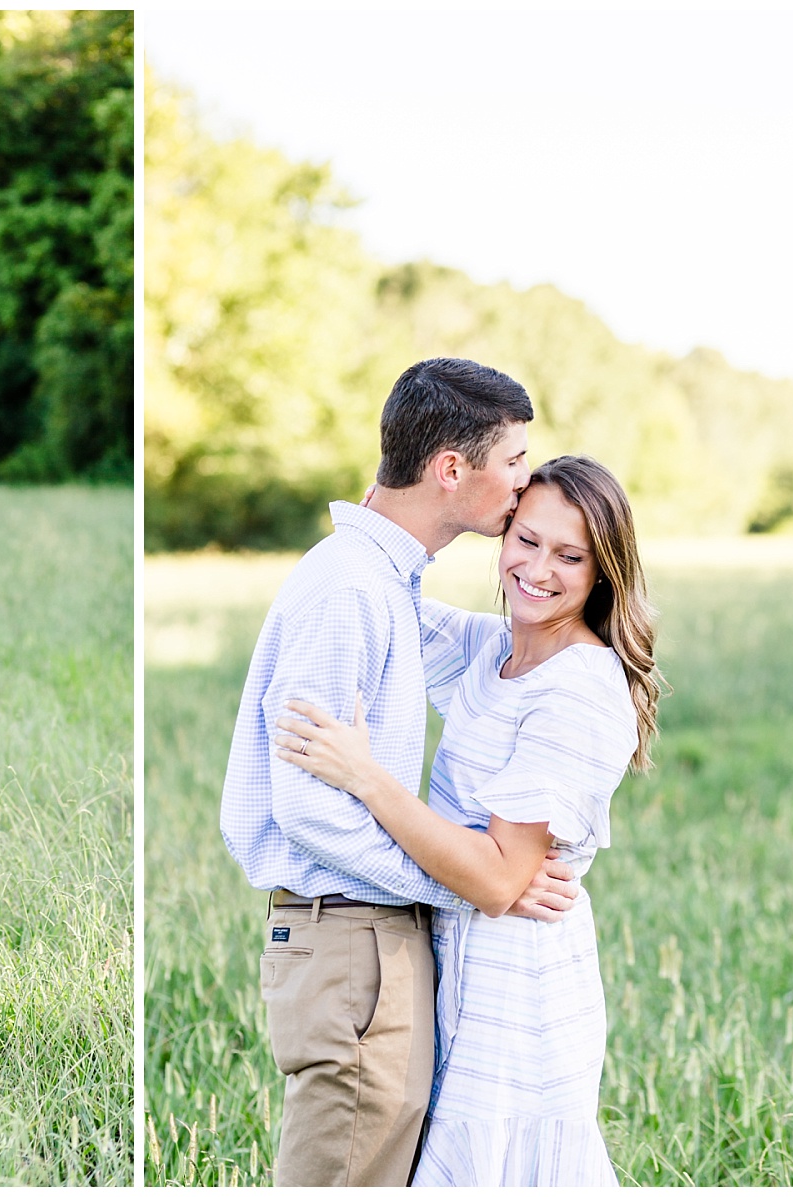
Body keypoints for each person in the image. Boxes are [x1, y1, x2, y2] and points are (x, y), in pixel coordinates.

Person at [220, 358, 583, 1186]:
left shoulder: (382, 582)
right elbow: (310, 810)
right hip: (349, 937)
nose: (525, 482)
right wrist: (474, 880)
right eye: (516, 461)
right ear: (452, 469)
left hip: (370, 939)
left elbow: (508, 654)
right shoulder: (348, 588)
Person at [274, 455, 662, 1185]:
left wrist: (366, 777)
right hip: (454, 960)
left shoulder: (578, 685)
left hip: (519, 984)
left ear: (602, 572)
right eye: (526, 539)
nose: (538, 568)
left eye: (569, 555)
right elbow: (387, 600)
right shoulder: (494, 650)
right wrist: (380, 523)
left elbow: (495, 879)